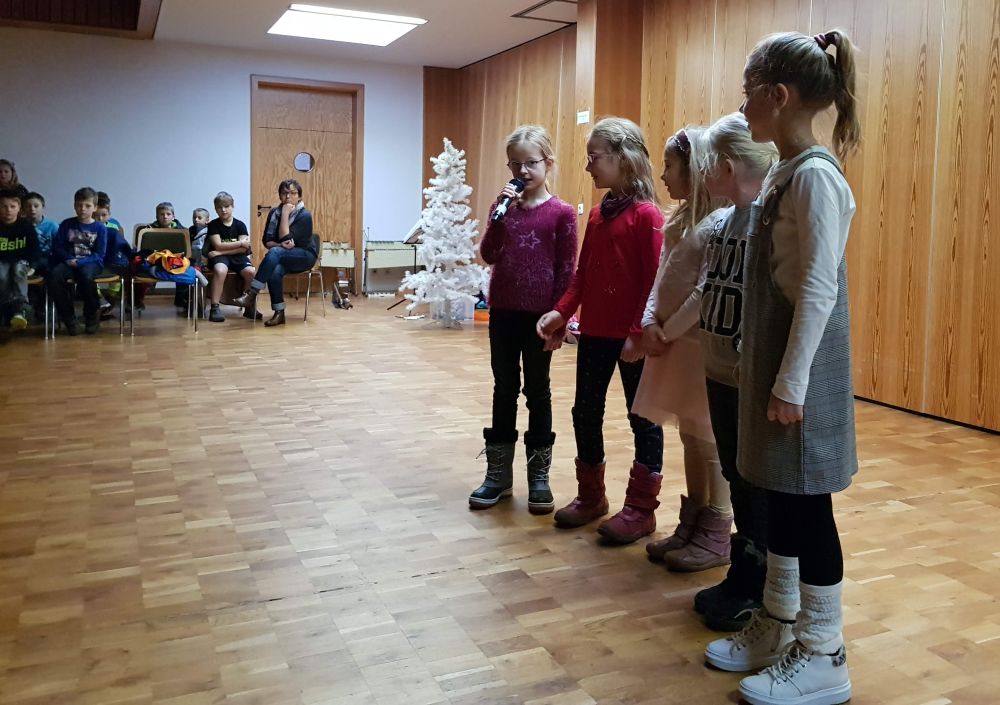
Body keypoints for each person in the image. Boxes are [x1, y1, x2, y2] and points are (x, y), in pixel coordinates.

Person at [703, 30, 861, 705]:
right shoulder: (787, 170)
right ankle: (779, 622)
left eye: (748, 93)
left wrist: (791, 382)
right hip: (775, 362)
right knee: (780, 498)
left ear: (778, 95)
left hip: (804, 370)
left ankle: (825, 653)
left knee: (806, 505)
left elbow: (818, 288)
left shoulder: (817, 177)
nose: (743, 105)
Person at [536, 116, 664, 543]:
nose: (588, 166)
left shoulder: (647, 216)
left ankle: (641, 509)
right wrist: (561, 312)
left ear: (622, 158)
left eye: (595, 158)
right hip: (594, 334)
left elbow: (654, 281)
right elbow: (582, 276)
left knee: (642, 419)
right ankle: (591, 497)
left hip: (630, 340)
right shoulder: (596, 215)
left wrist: (637, 332)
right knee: (585, 413)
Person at [691, 112, 777, 632]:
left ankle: (759, 583)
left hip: (748, 378)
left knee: (753, 480)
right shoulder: (722, 222)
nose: (702, 174)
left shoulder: (769, 221)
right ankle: (740, 572)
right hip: (718, 370)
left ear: (726, 166)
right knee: (733, 473)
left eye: (707, 164)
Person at [634, 126, 731, 572]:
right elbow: (661, 278)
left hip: (697, 347)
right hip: (671, 344)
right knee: (689, 436)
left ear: (694, 169)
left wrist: (667, 331)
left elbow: (705, 292)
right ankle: (692, 521)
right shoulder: (678, 220)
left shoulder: (720, 224)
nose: (663, 176)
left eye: (670, 166)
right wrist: (648, 322)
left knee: (709, 439)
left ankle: (717, 530)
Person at [469, 124, 578, 514]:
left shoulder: (562, 213)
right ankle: (498, 476)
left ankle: (539, 477)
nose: (522, 171)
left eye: (530, 163)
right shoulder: (504, 208)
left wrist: (560, 318)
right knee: (504, 388)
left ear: (548, 163)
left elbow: (567, 270)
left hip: (539, 319)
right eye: (515, 164)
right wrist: (498, 217)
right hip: (503, 313)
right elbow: (489, 254)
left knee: (538, 391)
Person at [233, 179, 316, 327]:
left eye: (293, 193)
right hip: (284, 255)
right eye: (284, 193)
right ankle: (279, 313)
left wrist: (285, 214)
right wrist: (279, 245)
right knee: (274, 270)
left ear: (299, 196)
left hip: (305, 255)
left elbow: (286, 238)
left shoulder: (304, 215)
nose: (288, 197)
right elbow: (267, 241)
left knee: (275, 252)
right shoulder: (273, 213)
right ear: (279, 195)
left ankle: (252, 293)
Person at [49, 187, 107, 335]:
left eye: (87, 205)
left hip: (91, 263)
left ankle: (91, 315)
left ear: (94, 207)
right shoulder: (66, 224)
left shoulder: (100, 228)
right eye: (79, 205)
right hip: (69, 261)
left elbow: (99, 254)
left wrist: (80, 262)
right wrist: (69, 259)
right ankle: (69, 318)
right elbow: (58, 247)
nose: (83, 209)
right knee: (54, 276)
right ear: (74, 206)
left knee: (86, 276)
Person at [205, 192, 258, 323]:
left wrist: (220, 252)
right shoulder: (213, 225)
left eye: (227, 206)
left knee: (251, 272)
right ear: (215, 209)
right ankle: (215, 307)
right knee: (220, 270)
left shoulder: (240, 225)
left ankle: (249, 306)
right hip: (220, 258)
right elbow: (218, 245)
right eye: (219, 207)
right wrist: (240, 243)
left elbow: (244, 249)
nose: (223, 210)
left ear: (232, 206)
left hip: (236, 256)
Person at [0, 188, 39, 332]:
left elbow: (35, 249)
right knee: (2, 275)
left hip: (21, 260)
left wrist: (33, 266)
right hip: (2, 261)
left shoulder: (26, 226)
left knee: (18, 271)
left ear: (19, 208)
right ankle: (7, 309)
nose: (8, 210)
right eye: (4, 206)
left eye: (12, 206)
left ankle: (20, 309)